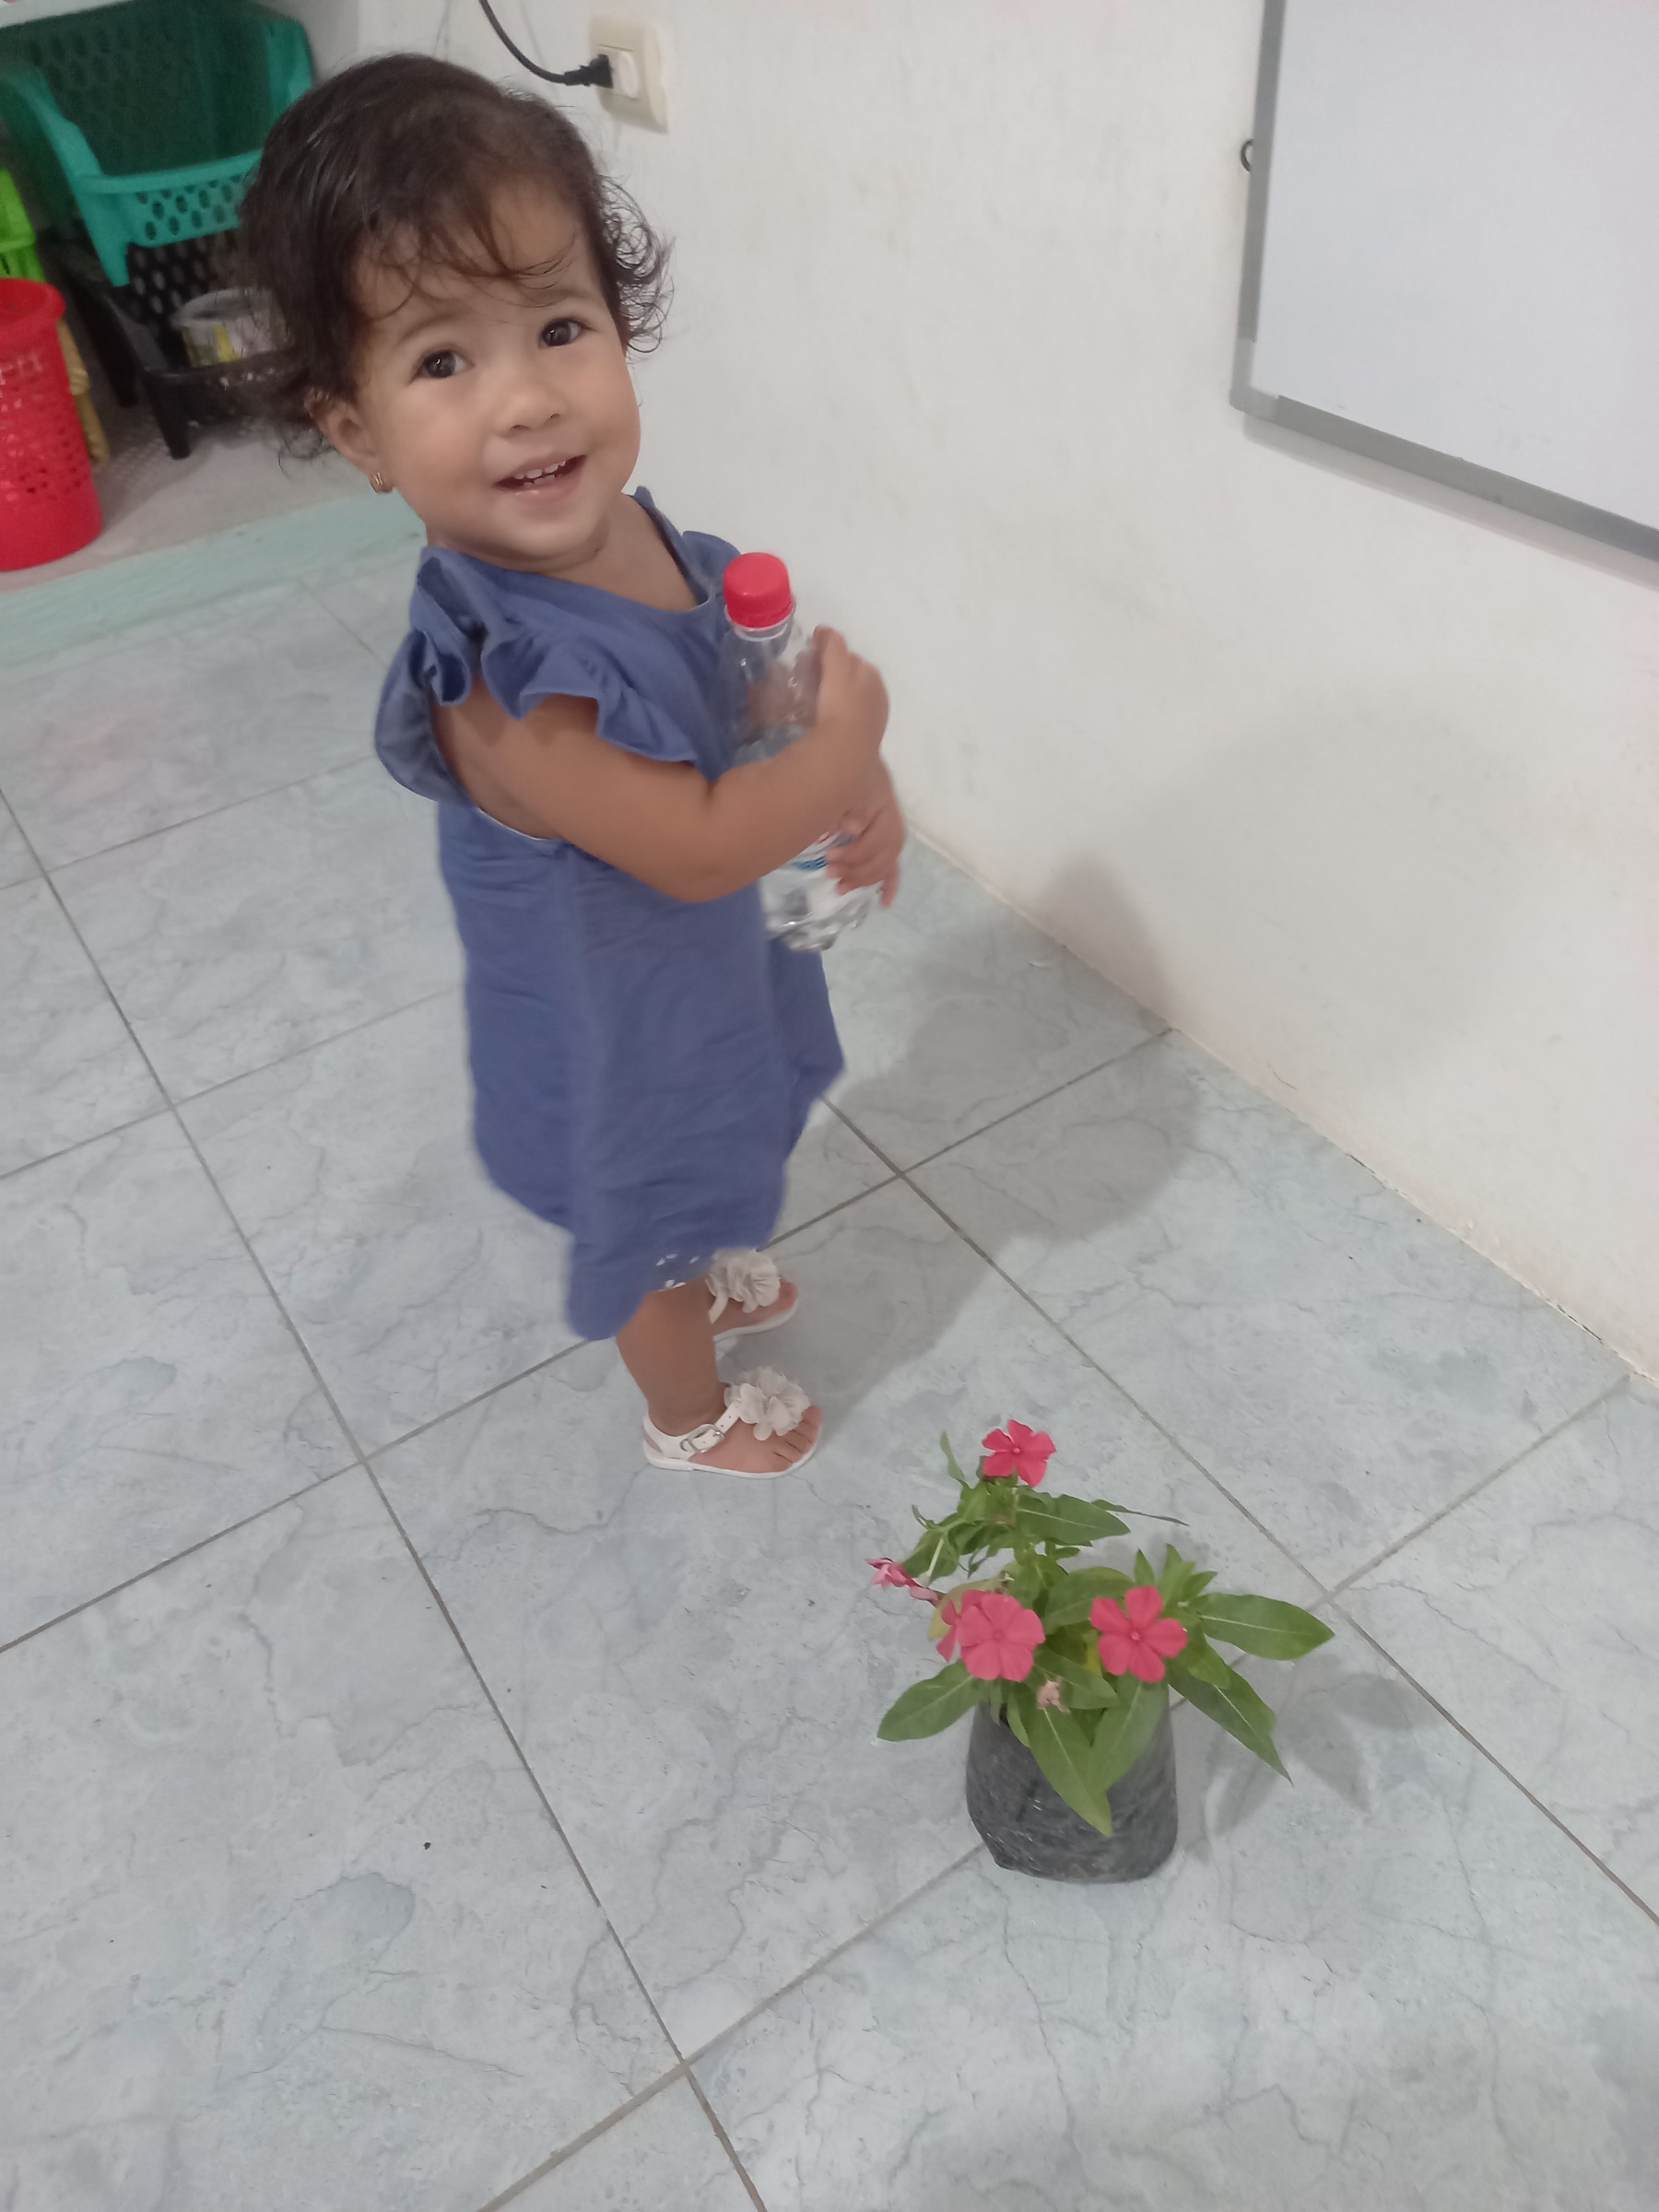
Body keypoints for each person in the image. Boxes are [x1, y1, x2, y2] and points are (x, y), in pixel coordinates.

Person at [240, 54, 902, 1477]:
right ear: (354, 430)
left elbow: (753, 699)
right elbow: (696, 846)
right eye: (442, 361)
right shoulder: (498, 681)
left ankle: (710, 1254)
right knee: (650, 1216)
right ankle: (687, 1413)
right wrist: (852, 741)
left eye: (558, 327)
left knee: (727, 1131)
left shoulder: (653, 539)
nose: (530, 400)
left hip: (701, 983)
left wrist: (858, 786)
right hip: (616, 1033)